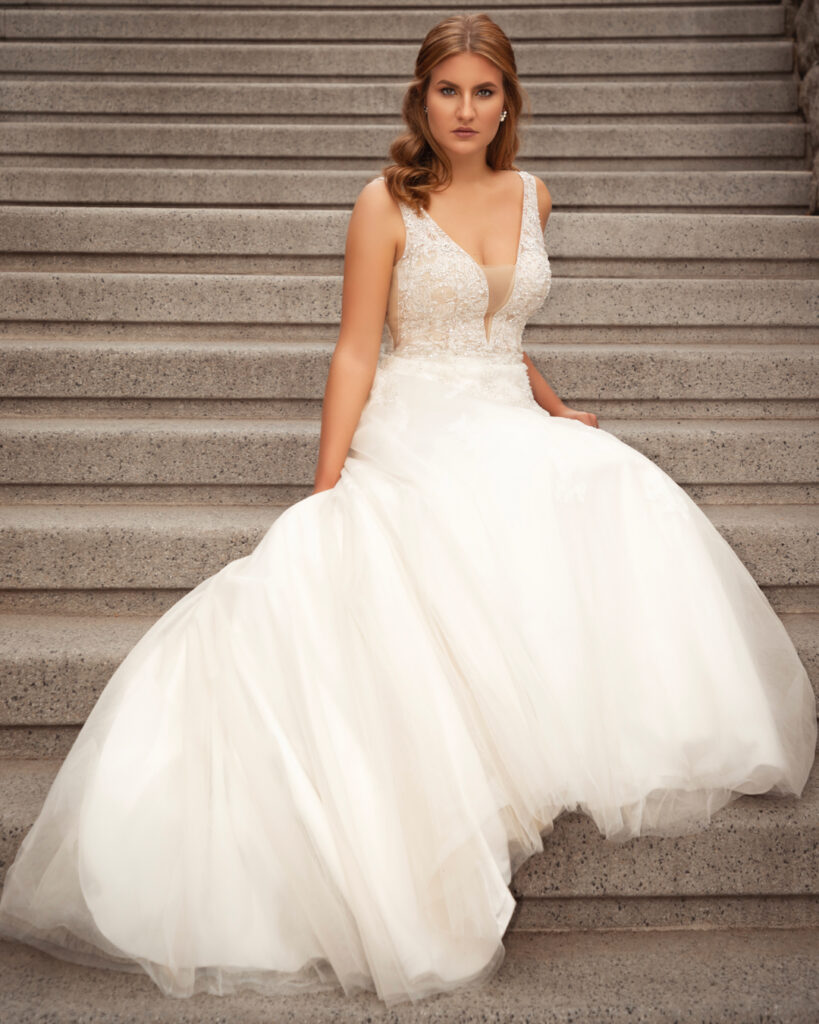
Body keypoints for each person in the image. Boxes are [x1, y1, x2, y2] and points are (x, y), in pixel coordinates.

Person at [0, 11, 815, 1011]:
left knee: (602, 478)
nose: (465, 109)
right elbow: (357, 349)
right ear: (419, 99)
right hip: (417, 415)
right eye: (447, 90)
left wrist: (559, 409)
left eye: (483, 90)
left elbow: (497, 321)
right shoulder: (385, 204)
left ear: (507, 99)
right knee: (448, 528)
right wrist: (328, 480)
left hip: (502, 410)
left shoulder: (533, 194)